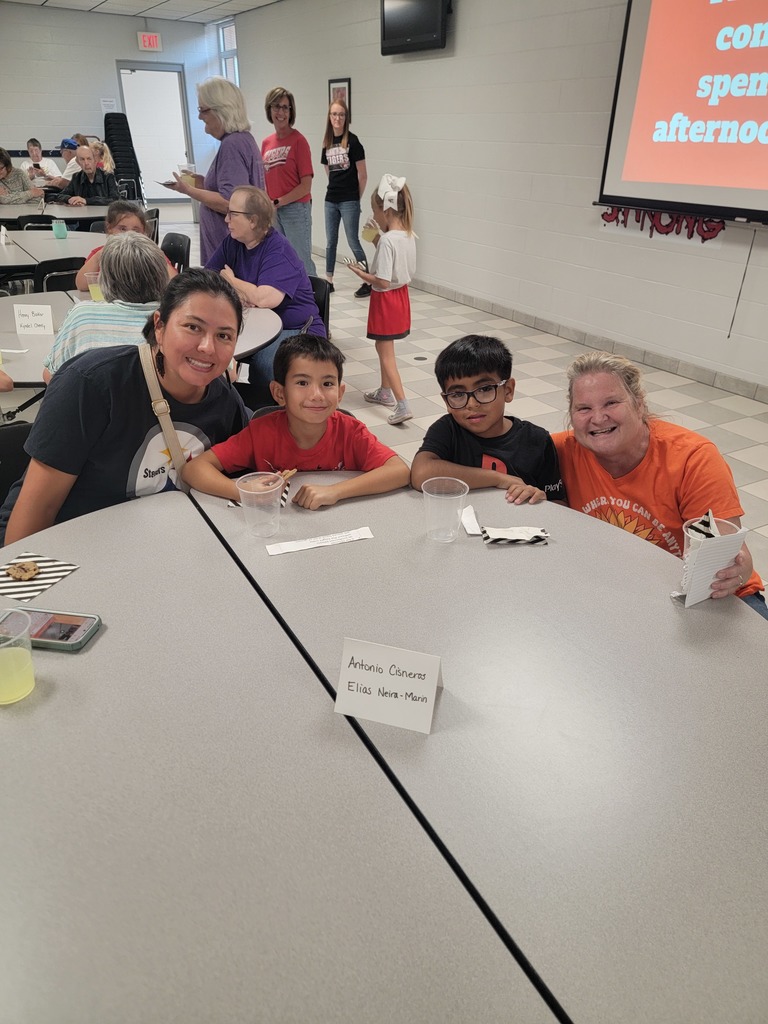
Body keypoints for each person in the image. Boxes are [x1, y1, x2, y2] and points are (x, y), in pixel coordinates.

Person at [0, 269, 249, 545]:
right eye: (193, 327)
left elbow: (254, 467)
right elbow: (37, 512)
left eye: (224, 336)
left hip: (157, 543)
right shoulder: (91, 384)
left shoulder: (224, 399)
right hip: (67, 542)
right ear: (160, 326)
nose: (207, 347)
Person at [552, 351, 767, 617]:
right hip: (624, 592)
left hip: (714, 598)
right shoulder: (559, 450)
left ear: (639, 404)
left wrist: (734, 569)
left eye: (611, 403)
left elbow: (731, 558)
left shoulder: (692, 458)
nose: (597, 418)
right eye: (584, 408)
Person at [182, 333, 409, 509]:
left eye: (327, 384)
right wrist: (240, 490)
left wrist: (335, 491)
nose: (317, 395)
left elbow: (399, 471)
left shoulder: (351, 432)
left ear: (340, 393)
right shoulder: (261, 433)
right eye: (302, 383)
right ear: (279, 393)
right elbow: (194, 469)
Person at [205, 185, 325, 407]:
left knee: (264, 364)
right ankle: (233, 410)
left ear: (253, 220)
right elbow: (209, 276)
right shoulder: (233, 242)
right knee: (216, 350)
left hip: (296, 327)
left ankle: (269, 415)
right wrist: (240, 291)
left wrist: (231, 281)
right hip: (254, 322)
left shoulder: (277, 250)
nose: (226, 219)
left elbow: (265, 299)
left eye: (233, 214)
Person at [411, 335, 565, 504]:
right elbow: (420, 473)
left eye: (484, 389)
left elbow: (558, 503)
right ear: (446, 401)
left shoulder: (537, 440)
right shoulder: (448, 429)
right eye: (457, 394)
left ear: (508, 390)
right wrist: (498, 479)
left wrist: (540, 499)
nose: (472, 404)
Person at [162, 77, 265, 264]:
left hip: (229, 250)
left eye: (203, 110)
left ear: (221, 110)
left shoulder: (232, 145)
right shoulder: (243, 139)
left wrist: (189, 190)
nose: (200, 117)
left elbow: (231, 203)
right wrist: (203, 184)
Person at [44, 232, 169, 380]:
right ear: (161, 274)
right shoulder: (173, 320)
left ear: (106, 278)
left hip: (91, 401)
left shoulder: (83, 316)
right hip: (156, 402)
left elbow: (51, 375)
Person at [347, 174, 416, 425]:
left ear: (385, 210)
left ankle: (402, 403)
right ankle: (385, 391)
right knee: (386, 347)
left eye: (375, 211)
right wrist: (375, 239)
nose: (374, 216)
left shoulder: (388, 241)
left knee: (385, 352)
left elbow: (383, 280)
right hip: (401, 299)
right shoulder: (407, 234)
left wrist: (360, 273)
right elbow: (395, 267)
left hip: (385, 301)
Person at [261, 86, 316, 276]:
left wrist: (279, 201)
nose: (281, 112)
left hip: (296, 210)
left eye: (285, 107)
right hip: (275, 211)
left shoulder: (299, 141)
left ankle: (314, 303)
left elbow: (306, 186)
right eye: (276, 107)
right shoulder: (267, 143)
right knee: (281, 260)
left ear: (291, 111)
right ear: (269, 109)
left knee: (301, 262)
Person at [320, 98, 369, 297]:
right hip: (331, 199)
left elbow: (363, 175)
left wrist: (355, 198)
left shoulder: (354, 142)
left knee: (353, 241)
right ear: (329, 117)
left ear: (346, 117)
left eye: (341, 114)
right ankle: (329, 280)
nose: (337, 118)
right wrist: (337, 187)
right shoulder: (326, 142)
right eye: (334, 114)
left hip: (349, 200)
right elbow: (328, 170)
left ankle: (368, 280)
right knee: (331, 242)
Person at [75, 200, 176, 292]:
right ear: (109, 228)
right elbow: (81, 285)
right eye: (122, 229)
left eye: (136, 230)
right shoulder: (100, 253)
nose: (129, 234)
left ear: (144, 232)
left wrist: (156, 257)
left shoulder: (150, 254)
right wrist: (99, 257)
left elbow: (174, 284)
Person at [50, 145, 119, 206]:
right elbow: (61, 195)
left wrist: (86, 200)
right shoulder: (76, 177)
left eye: (89, 159)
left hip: (102, 218)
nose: (86, 163)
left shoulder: (108, 176)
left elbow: (115, 199)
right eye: (82, 159)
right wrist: (70, 199)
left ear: (95, 161)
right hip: (82, 217)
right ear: (78, 163)